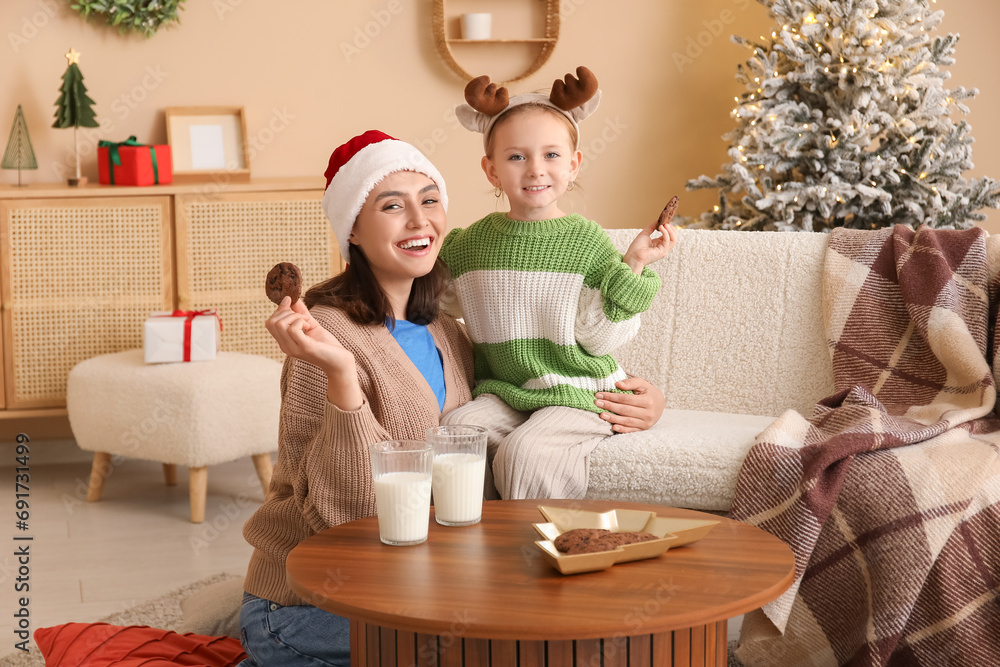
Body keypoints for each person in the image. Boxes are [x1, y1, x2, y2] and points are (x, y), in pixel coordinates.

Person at [237, 130, 666, 667]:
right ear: (354, 231)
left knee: (582, 627)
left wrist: (644, 398)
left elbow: (535, 385)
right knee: (510, 645)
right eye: (393, 207)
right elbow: (345, 515)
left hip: (421, 585)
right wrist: (343, 378)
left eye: (430, 201)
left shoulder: (446, 329)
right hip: (311, 604)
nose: (420, 222)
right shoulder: (325, 338)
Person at [440, 66, 679, 500]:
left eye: (551, 155)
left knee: (526, 453)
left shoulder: (586, 242)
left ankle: (530, 556)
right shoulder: (469, 246)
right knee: (456, 433)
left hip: (577, 395)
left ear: (573, 165)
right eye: (516, 157)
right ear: (491, 170)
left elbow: (600, 338)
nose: (535, 169)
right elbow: (429, 302)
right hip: (507, 393)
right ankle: (467, 550)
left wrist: (635, 264)